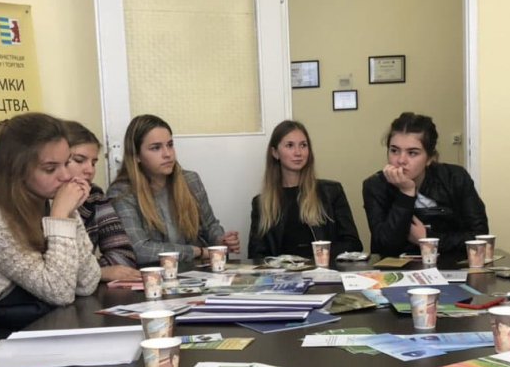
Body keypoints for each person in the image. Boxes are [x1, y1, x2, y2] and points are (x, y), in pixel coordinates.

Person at [0, 112, 100, 354]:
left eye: (66, 163)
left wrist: (69, 215)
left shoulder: (50, 202)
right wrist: (60, 217)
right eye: (50, 168)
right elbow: (59, 292)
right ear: (16, 170)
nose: (66, 176)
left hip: (41, 330)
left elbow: (87, 283)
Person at [107, 114, 240, 266]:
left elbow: (210, 226)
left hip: (197, 270)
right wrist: (197, 252)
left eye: (170, 145)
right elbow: (140, 250)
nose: (167, 154)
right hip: (154, 274)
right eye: (156, 148)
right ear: (136, 156)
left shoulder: (190, 180)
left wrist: (221, 241)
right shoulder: (122, 193)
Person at [362, 111, 488, 256]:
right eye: (394, 150)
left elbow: (480, 238)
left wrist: (427, 238)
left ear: (429, 159)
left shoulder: (455, 178)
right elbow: (385, 246)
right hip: (396, 267)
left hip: (449, 264)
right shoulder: (375, 186)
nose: (401, 160)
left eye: (412, 153)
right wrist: (406, 193)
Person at [248, 120, 362, 261]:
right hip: (282, 274)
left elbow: (353, 244)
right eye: (290, 145)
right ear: (275, 153)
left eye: (303, 145)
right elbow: (256, 256)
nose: (298, 153)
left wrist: (314, 257)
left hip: (324, 271)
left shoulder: (331, 192)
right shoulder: (261, 203)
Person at [62, 120, 141, 282]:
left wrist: (95, 271)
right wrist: (100, 273)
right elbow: (51, 274)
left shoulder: (93, 195)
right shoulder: (39, 201)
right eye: (79, 160)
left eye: (93, 162)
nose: (90, 170)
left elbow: (123, 254)